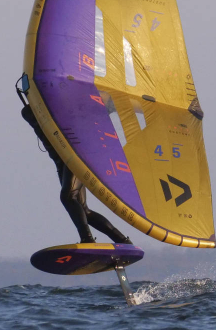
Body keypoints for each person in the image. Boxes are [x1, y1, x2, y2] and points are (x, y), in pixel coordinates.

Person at [17, 80, 132, 246]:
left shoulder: (69, 106)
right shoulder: (40, 109)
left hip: (77, 155)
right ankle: (123, 241)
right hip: (62, 160)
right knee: (83, 209)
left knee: (68, 197)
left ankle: (87, 239)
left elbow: (106, 106)